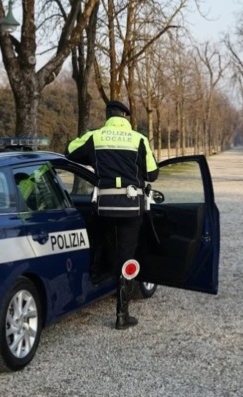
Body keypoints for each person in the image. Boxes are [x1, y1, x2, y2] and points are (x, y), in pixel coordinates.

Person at [65, 100, 159, 330]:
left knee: (102, 244)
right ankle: (121, 314)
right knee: (127, 256)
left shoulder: (95, 137)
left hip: (104, 208)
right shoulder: (139, 139)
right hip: (130, 208)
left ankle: (96, 280)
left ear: (107, 116)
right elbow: (152, 173)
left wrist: (95, 159)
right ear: (126, 116)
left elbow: (69, 152)